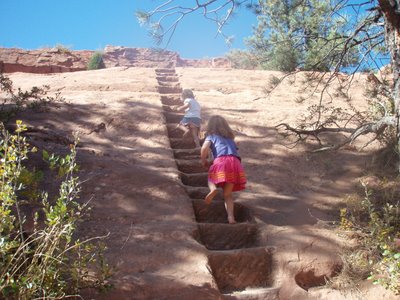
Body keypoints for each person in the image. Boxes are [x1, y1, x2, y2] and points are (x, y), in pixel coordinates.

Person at [200, 115, 246, 224]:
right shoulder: (230, 138)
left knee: (211, 177)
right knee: (228, 194)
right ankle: (231, 217)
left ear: (210, 126)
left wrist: (203, 161)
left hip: (221, 162)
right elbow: (229, 151)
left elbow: (204, 148)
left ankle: (213, 189)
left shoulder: (211, 136)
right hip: (235, 164)